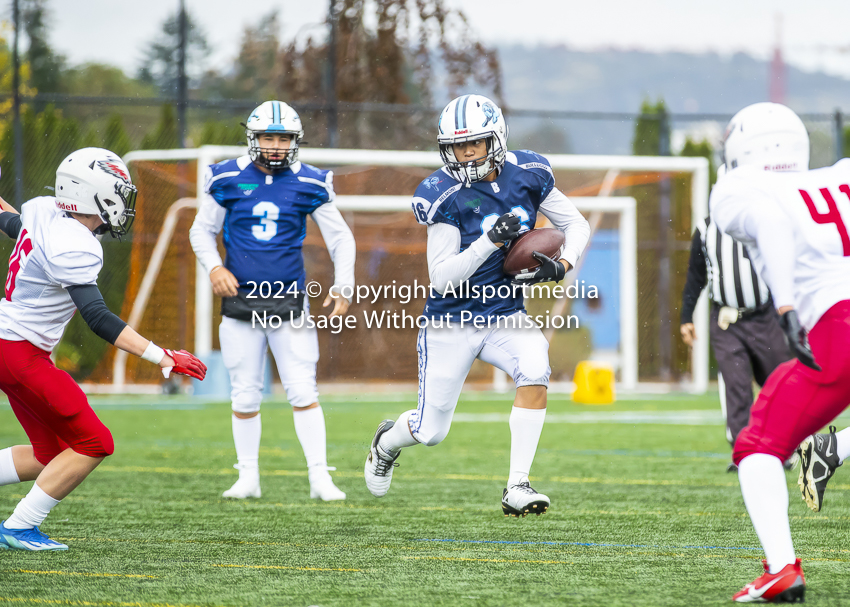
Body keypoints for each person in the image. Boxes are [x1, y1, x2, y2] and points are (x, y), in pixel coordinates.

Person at [363, 94, 590, 516]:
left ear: (496, 138)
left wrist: (563, 264)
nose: (465, 154)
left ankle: (517, 485)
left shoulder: (528, 174)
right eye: (456, 146)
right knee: (430, 431)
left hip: (504, 313)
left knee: (536, 368)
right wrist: (490, 241)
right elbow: (442, 277)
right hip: (452, 318)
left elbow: (575, 223)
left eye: (474, 144)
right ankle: (387, 441)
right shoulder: (443, 194)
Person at [0, 148, 207, 551]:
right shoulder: (75, 244)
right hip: (22, 356)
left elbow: (10, 221)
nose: (123, 203)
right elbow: (98, 318)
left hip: (9, 349)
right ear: (96, 194)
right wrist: (163, 357)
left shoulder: (44, 210)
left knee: (49, 453)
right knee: (96, 443)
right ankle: (20, 526)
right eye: (118, 192)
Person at [710, 102, 850, 603]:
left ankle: (781, 568)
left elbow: (769, 217)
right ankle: (838, 448)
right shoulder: (842, 175)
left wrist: (787, 306)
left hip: (837, 326)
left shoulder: (738, 189)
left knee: (757, 445)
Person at [189, 100, 355, 502]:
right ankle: (248, 477)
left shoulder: (311, 182)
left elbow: (340, 237)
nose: (277, 145)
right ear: (254, 138)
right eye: (269, 137)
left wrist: (344, 285)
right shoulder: (226, 176)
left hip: (289, 302)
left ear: (295, 141)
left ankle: (320, 478)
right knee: (244, 393)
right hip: (240, 302)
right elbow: (201, 231)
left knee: (303, 391)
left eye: (284, 138)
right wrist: (214, 268)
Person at [680, 216, 790, 471]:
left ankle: (781, 446)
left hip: (764, 316)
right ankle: (744, 453)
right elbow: (695, 275)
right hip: (725, 320)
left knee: (778, 381)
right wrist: (686, 317)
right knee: (736, 384)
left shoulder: (762, 222)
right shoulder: (706, 228)